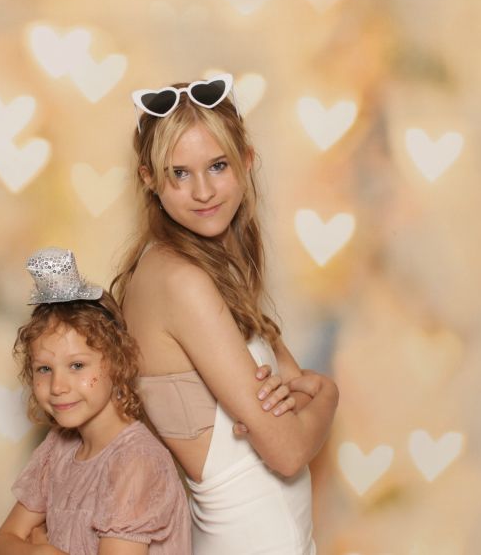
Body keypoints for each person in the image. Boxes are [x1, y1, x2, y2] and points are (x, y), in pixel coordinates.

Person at [111, 73, 339, 554]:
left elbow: (294, 387)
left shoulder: (209, 270)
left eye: (217, 166)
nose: (203, 191)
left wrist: (300, 405)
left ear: (246, 160)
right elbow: (288, 448)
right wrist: (330, 398)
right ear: (149, 178)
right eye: (179, 173)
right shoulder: (181, 282)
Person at [0, 247, 192, 555]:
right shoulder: (58, 447)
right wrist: (40, 552)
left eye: (77, 365)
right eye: (44, 369)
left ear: (117, 362)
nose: (57, 386)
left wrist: (44, 548)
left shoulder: (136, 462)